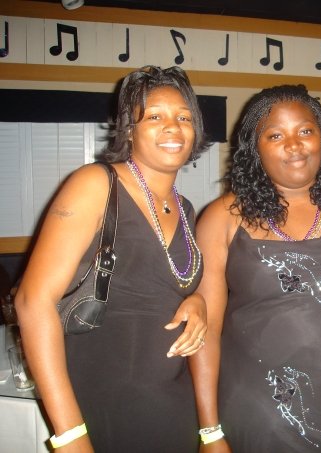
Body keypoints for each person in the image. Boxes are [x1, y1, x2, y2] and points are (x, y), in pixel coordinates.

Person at [189, 84, 321, 453]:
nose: (294, 145)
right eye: (275, 135)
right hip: (254, 416)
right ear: (255, 148)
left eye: (305, 131)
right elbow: (207, 330)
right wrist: (211, 432)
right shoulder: (222, 217)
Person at [15, 66, 208, 452]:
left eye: (184, 117)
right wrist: (70, 435)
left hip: (174, 404)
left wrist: (198, 300)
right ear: (129, 129)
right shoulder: (96, 184)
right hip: (108, 406)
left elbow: (163, 283)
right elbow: (32, 302)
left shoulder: (184, 207)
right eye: (154, 117)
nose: (173, 127)